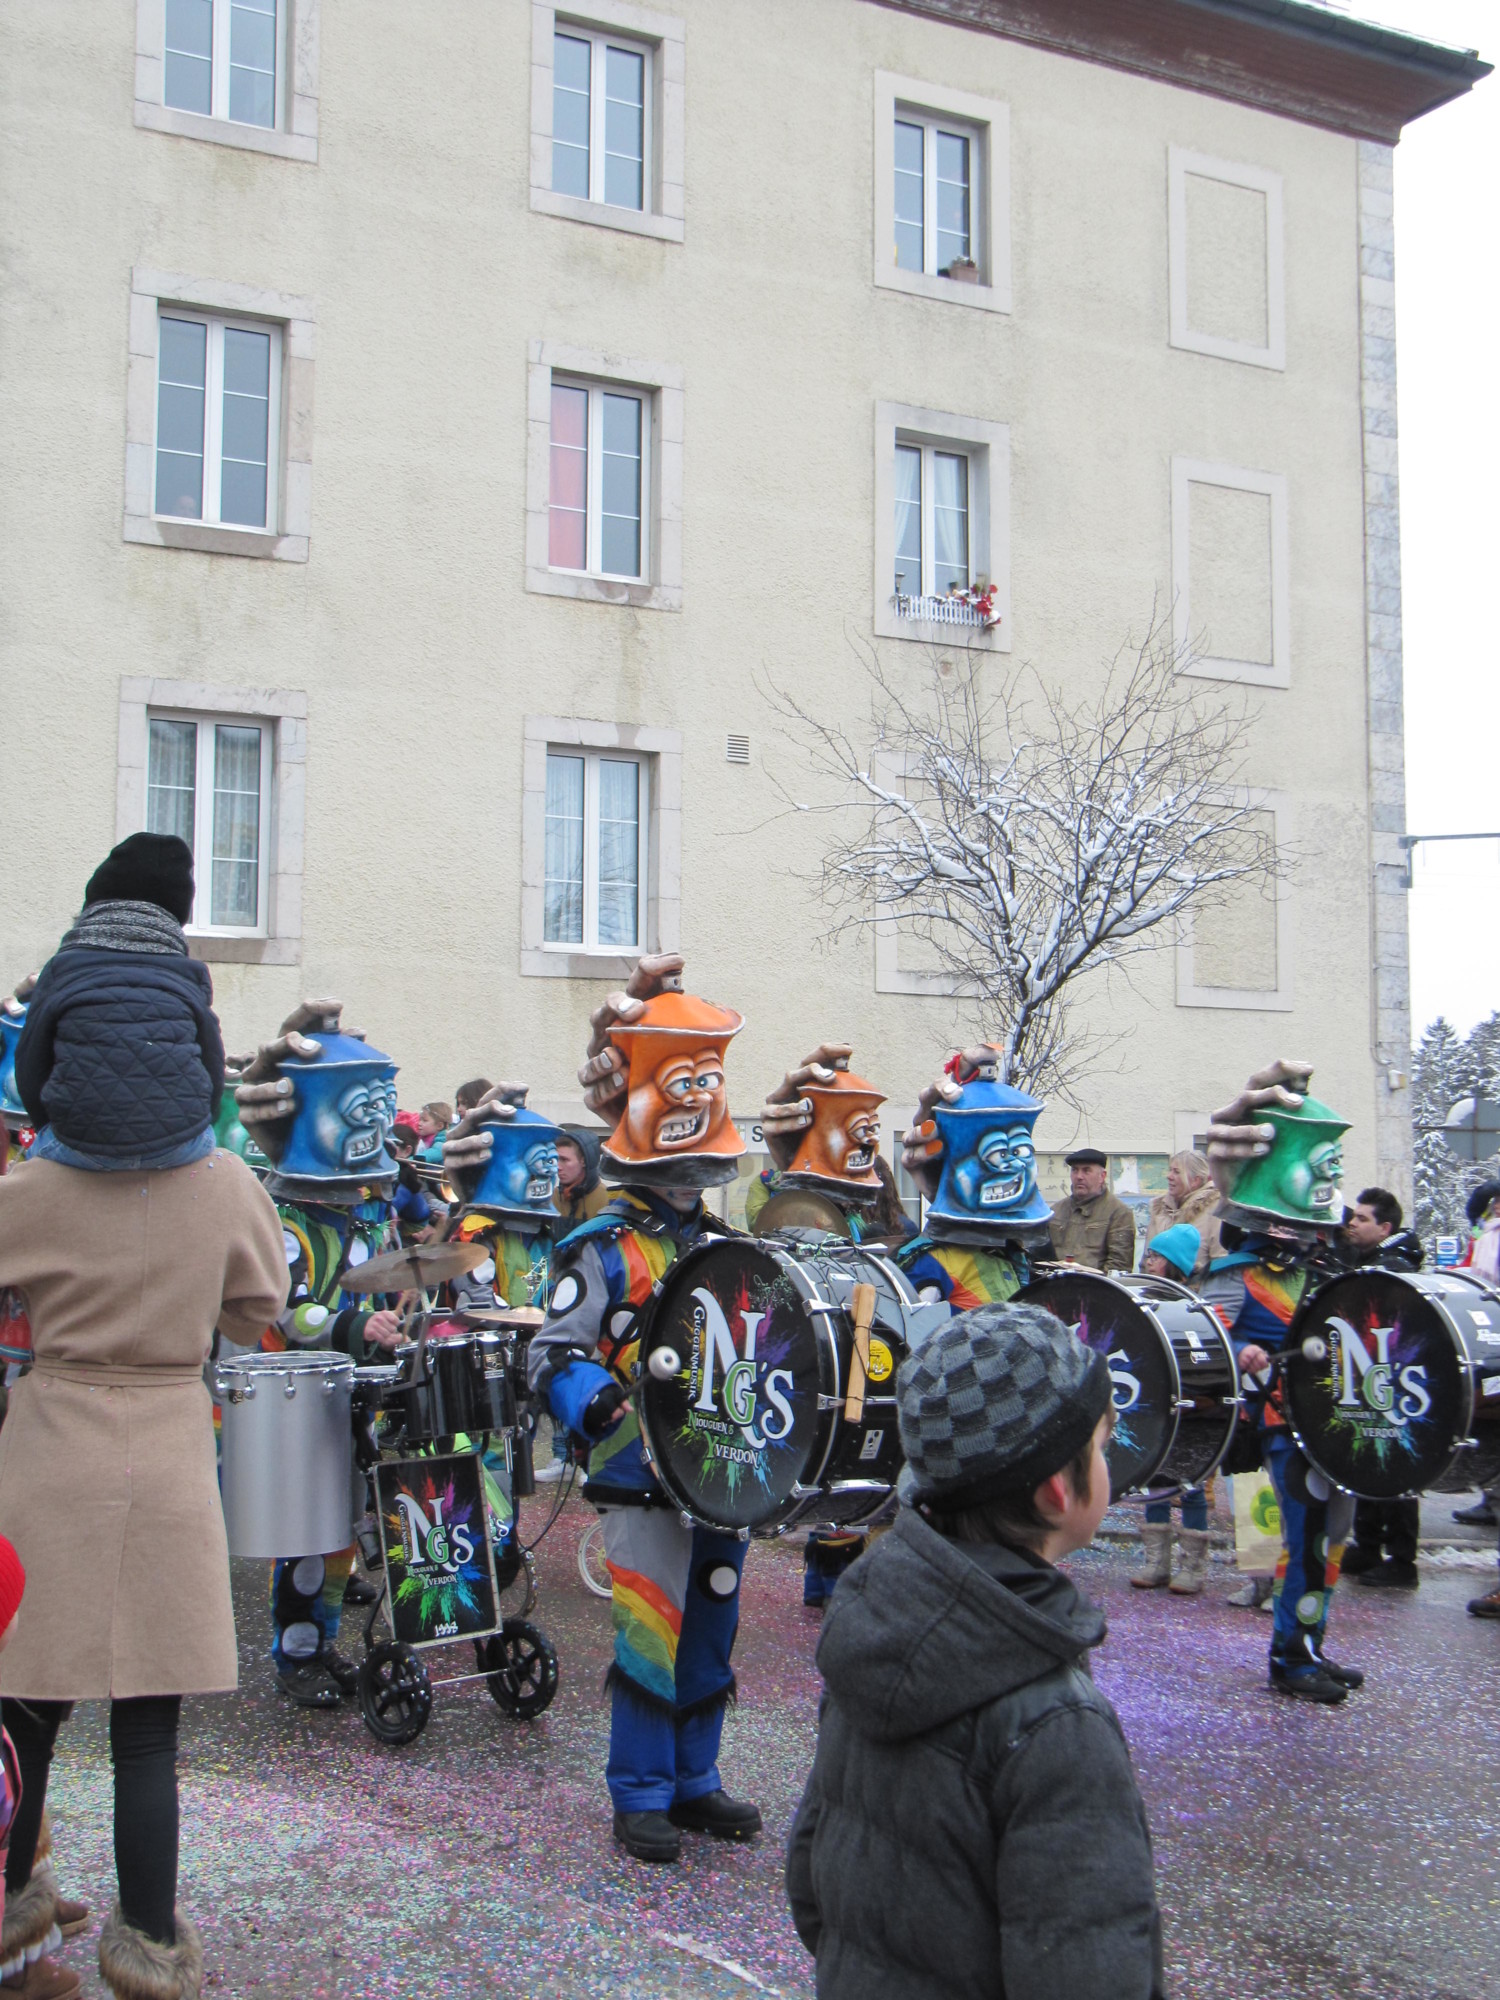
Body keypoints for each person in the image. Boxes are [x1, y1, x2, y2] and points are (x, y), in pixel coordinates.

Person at [0, 997, 288, 2000]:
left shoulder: (28, 1186)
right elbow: (258, 1312)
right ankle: (151, 1945)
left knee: (25, 1706)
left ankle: (9, 1916)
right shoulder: (226, 1182)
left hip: (49, 1441)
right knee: (148, 1726)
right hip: (165, 1441)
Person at [785, 1302, 1164, 2000]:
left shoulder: (872, 1626)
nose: (1110, 1466)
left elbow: (811, 1886)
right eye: (1102, 1448)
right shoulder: (1058, 1725)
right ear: (1058, 1492)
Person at [526, 955, 762, 1864]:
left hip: (721, 1470)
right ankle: (641, 1791)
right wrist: (604, 1409)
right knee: (649, 1625)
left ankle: (695, 1779)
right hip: (639, 1467)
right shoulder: (601, 1246)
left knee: (712, 1619)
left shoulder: (726, 1245)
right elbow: (552, 1354)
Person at [235, 1002, 406, 1708]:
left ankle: (325, 1641)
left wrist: (393, 1320)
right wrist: (359, 1327)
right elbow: (288, 1308)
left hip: (349, 1392)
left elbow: (378, 1285)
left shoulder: (361, 1215)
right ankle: (296, 1652)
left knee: (340, 1529)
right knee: (307, 1533)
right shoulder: (284, 1221)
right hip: (296, 1396)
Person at [1206, 1061, 1360, 1702]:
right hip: (1281, 1422)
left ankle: (1312, 1643)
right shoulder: (1237, 1273)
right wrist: (1240, 1354)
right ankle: (1289, 1659)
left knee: (1332, 1537)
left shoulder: (1322, 1272)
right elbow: (1204, 1344)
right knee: (1303, 1540)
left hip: (1331, 1422)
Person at [755, 1045, 891, 1607]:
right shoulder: (798, 1205)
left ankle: (828, 1575)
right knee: (833, 1448)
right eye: (858, 1125)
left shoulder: (854, 1208)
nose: (869, 1138)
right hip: (819, 1351)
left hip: (851, 1343)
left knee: (846, 1452)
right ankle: (830, 1580)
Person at [14, 834, 224, 1174]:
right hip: (178, 1148)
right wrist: (200, 1124)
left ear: (94, 903)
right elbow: (213, 1064)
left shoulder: (63, 967)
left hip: (77, 1147)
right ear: (177, 918)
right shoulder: (189, 974)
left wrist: (47, 1127)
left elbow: (30, 1064)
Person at [896, 1047, 1054, 1311]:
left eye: (1021, 1152)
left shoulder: (1012, 1254)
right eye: (997, 1154)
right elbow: (909, 1326)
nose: (1013, 1166)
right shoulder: (933, 1262)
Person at [1336, 1188, 1424, 1592]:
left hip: (1394, 1378)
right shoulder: (1367, 1261)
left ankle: (1403, 1560)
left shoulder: (1394, 1266)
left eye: (1363, 1219)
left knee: (1396, 1464)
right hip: (1369, 1374)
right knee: (1368, 1457)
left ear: (1385, 1228)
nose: (1352, 1223)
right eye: (1352, 1216)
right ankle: (1368, 1545)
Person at [1130, 1225, 1215, 1594]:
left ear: (1175, 1264)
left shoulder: (1193, 1304)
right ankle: (1156, 1562)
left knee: (1191, 1482)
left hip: (1192, 1407)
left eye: (1156, 1257)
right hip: (1156, 1403)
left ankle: (1192, 1565)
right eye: (1148, 1254)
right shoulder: (1144, 1299)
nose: (1148, 1261)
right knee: (1155, 1478)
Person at [1048, 1148, 1136, 1272]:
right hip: (1056, 1282)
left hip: (1096, 1283)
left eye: (1086, 1171)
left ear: (1102, 1176)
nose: (1079, 1177)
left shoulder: (1118, 1213)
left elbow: (1119, 1266)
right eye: (1075, 1170)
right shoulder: (1055, 1211)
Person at [1147, 1150, 1222, 1280]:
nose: (1169, 1176)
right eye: (1170, 1170)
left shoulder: (1215, 1209)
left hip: (1196, 1289)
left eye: (1176, 1172)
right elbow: (1145, 1259)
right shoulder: (1158, 1209)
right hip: (1155, 1287)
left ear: (1195, 1180)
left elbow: (1220, 1261)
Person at [553, 1126, 611, 1228]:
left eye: (564, 1160)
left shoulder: (607, 1201)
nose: (558, 1167)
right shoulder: (553, 1198)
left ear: (583, 1161)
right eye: (556, 1159)